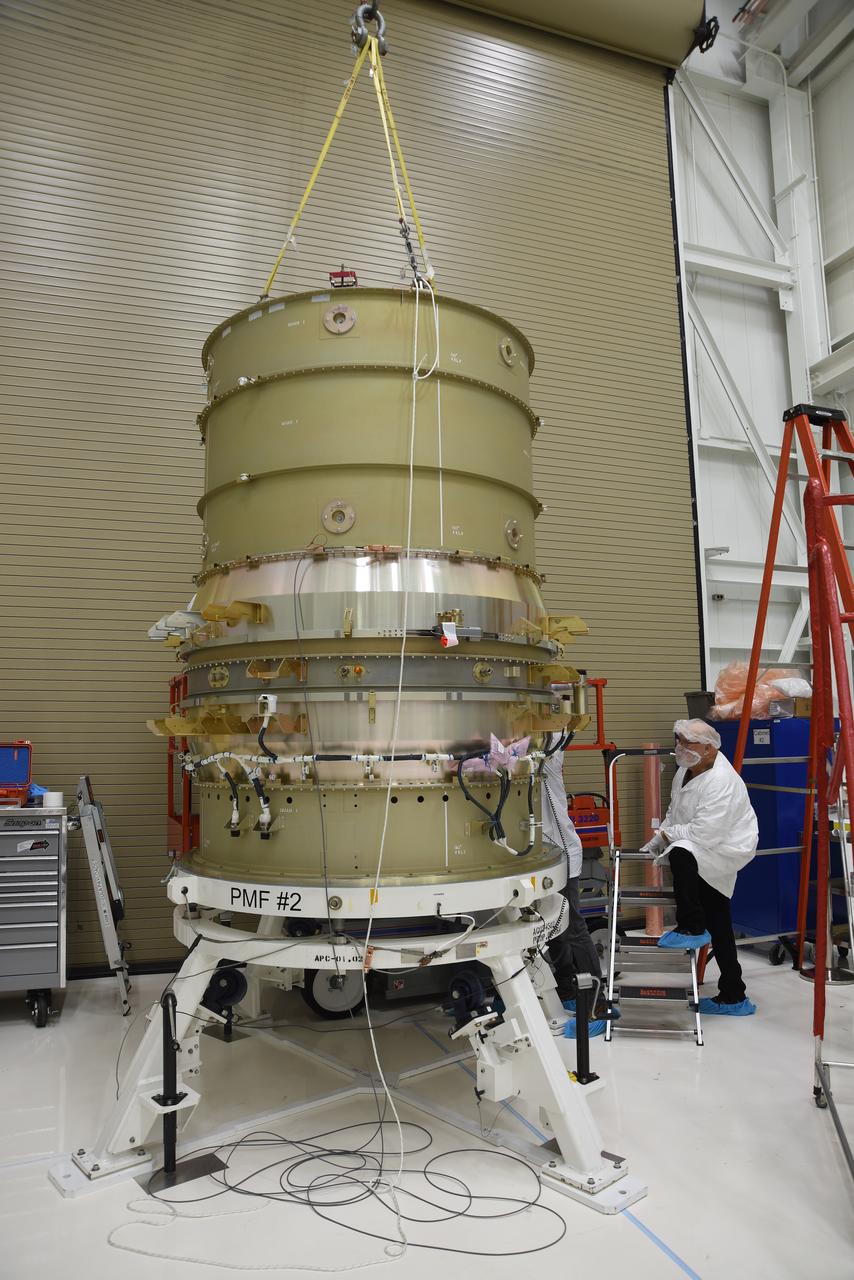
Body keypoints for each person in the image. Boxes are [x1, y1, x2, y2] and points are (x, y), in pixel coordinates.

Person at [641, 718, 759, 1017]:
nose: (680, 747)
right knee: (719, 920)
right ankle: (734, 995)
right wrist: (659, 837)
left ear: (709, 748)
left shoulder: (722, 781)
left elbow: (705, 834)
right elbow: (674, 810)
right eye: (677, 740)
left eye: (688, 742)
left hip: (723, 848)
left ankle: (692, 925)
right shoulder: (684, 771)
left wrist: (668, 836)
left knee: (681, 853)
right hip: (704, 847)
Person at [541, 735, 609, 1037]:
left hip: (561, 851)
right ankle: (568, 987)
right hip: (537, 853)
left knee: (572, 926)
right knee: (550, 924)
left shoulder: (548, 747)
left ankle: (598, 1005)